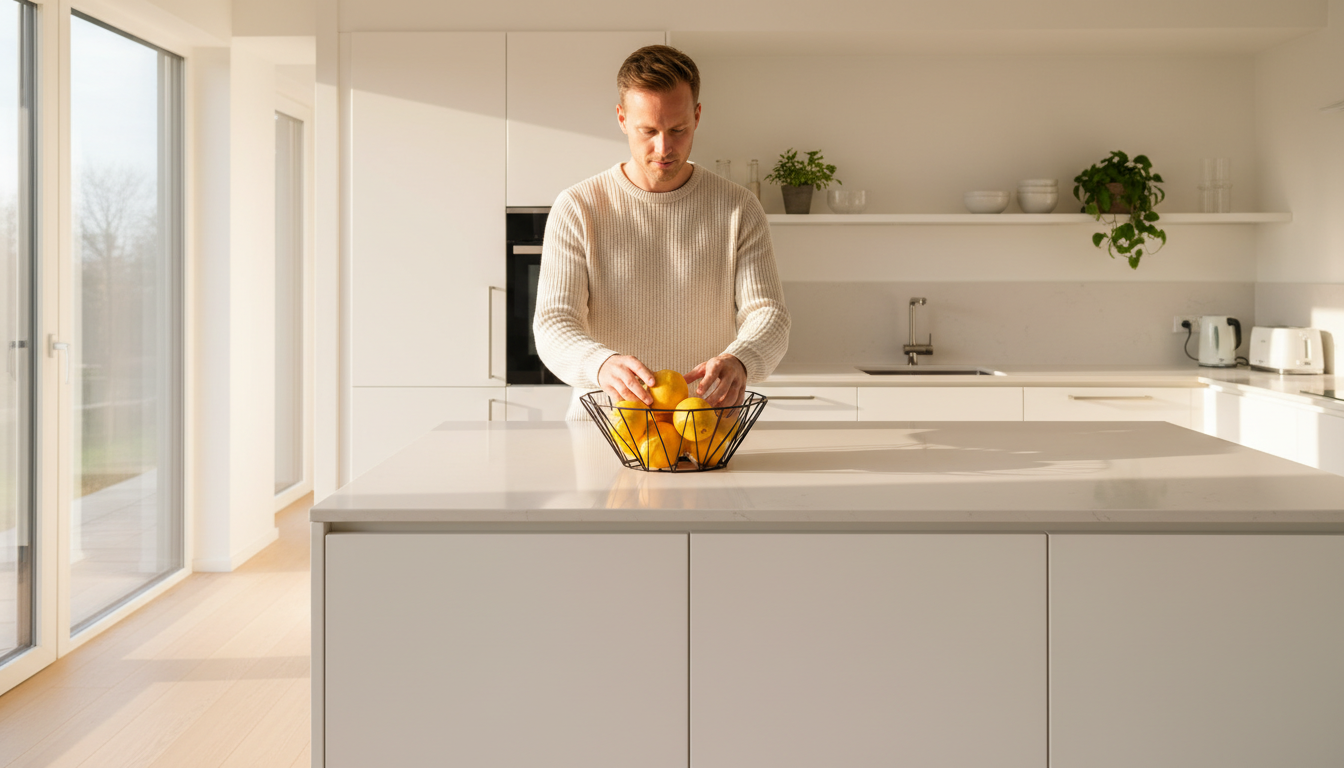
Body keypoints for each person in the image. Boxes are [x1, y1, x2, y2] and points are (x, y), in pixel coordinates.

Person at [533, 44, 790, 419]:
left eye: (678, 129)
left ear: (697, 116)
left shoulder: (738, 207)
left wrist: (741, 358)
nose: (664, 147)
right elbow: (554, 322)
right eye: (648, 130)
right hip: (609, 427)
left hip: (707, 429)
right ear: (622, 119)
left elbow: (768, 313)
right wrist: (600, 365)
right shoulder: (578, 207)